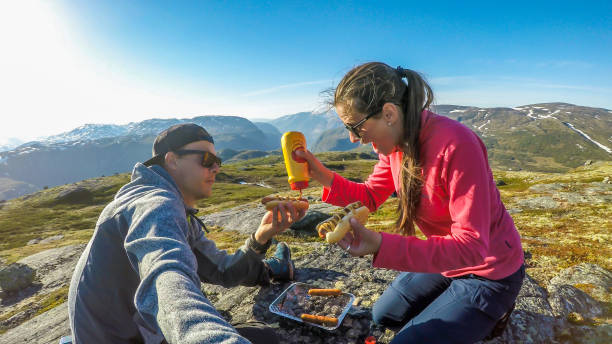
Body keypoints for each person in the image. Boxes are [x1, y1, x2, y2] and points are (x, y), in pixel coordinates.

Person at [295, 62, 525, 343]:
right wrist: (321, 174)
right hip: (448, 261)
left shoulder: (457, 145)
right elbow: (369, 196)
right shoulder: (395, 146)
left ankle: (497, 312)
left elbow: (473, 247)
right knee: (384, 316)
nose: (353, 139)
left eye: (355, 127)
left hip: (489, 271)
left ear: (389, 113)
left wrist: (381, 245)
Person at [68, 123, 304, 344]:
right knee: (264, 338)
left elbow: (221, 270)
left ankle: (271, 269)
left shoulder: (175, 207)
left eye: (217, 161)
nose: (216, 168)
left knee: (259, 333)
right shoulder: (156, 205)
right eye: (207, 159)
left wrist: (261, 237)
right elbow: (165, 279)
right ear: (172, 160)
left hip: (129, 330)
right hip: (127, 337)